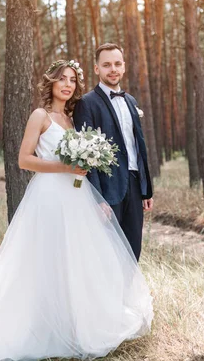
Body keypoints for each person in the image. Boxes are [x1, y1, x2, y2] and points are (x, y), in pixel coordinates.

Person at [0, 59, 153, 361]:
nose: (68, 85)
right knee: (45, 258)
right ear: (51, 83)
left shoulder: (72, 119)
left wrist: (87, 175)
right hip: (48, 195)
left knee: (75, 258)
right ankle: (39, 324)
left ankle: (76, 322)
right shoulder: (40, 116)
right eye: (62, 79)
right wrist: (64, 166)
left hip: (77, 196)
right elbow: (24, 160)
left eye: (72, 80)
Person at [73, 43, 154, 261]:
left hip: (135, 185)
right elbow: (85, 154)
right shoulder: (86, 104)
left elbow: (139, 146)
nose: (113, 69)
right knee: (108, 251)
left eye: (117, 64)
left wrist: (146, 190)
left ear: (124, 66)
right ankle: (108, 296)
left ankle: (127, 296)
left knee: (133, 248)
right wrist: (97, 198)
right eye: (107, 65)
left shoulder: (131, 101)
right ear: (97, 69)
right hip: (108, 187)